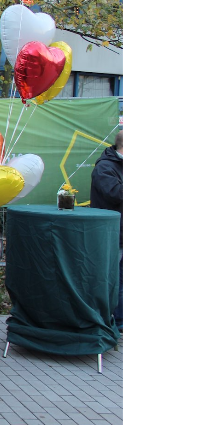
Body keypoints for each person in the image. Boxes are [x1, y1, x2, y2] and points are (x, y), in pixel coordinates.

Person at [90, 130, 123, 333]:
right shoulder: (105, 167)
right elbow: (115, 194)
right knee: (113, 280)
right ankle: (114, 322)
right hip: (113, 235)